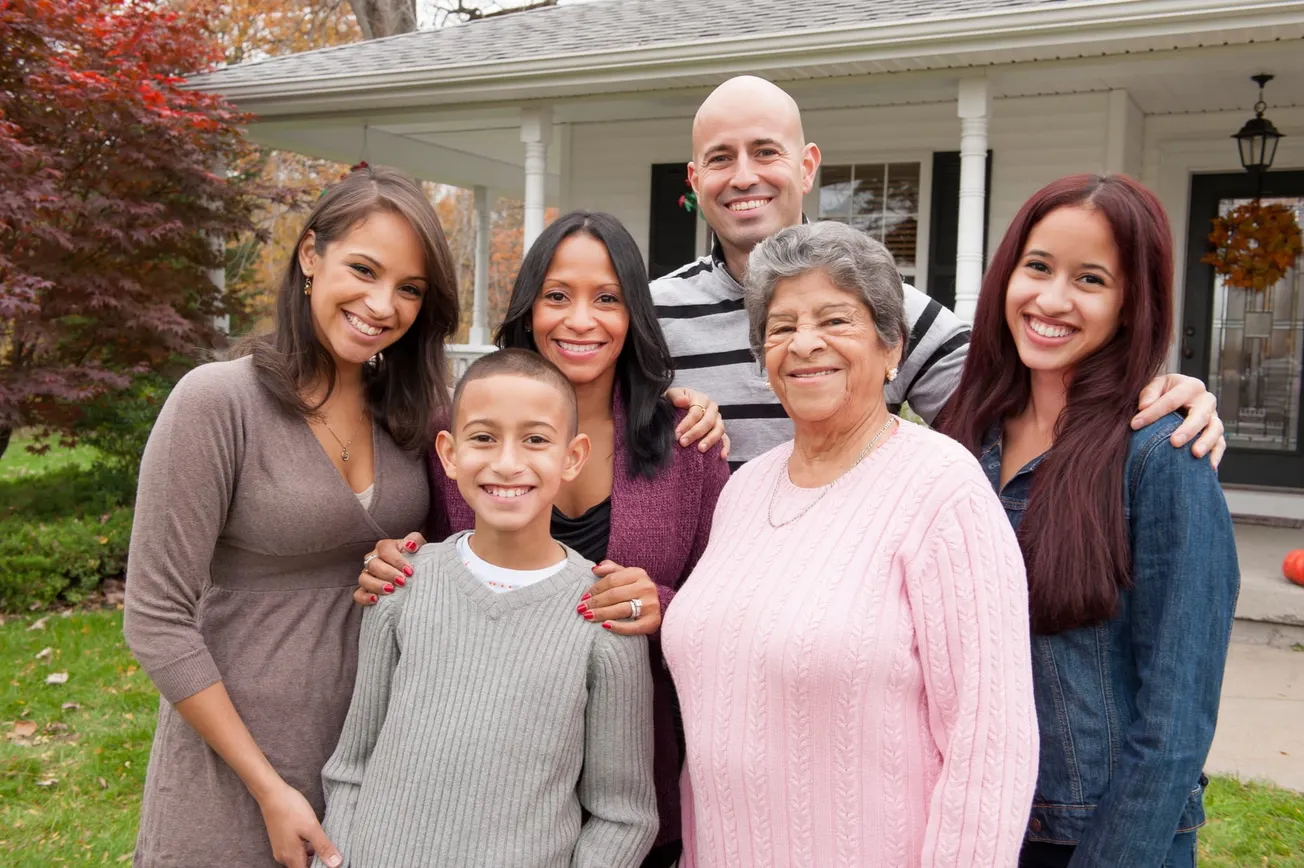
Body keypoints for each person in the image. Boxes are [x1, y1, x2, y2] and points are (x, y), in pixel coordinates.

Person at [356, 211, 730, 868]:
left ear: (633, 314)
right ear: (529, 308)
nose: (580, 320)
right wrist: (396, 561)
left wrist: (662, 605)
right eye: (558, 296)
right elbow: (444, 574)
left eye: (606, 298)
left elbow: (731, 605)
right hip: (492, 796)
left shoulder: (687, 443)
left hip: (639, 778)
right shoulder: (463, 436)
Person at [662, 220, 1039, 866]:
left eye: (835, 320)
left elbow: (990, 746)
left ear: (892, 348)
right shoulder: (742, 491)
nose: (805, 344)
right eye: (781, 328)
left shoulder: (943, 490)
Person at [122, 166, 460, 868]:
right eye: (363, 270)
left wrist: (663, 404)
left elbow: (528, 444)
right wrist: (269, 788)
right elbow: (155, 618)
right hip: (235, 769)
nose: (381, 304)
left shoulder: (415, 413)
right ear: (310, 256)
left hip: (370, 761)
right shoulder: (218, 403)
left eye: (409, 289)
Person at [652, 74, 1226, 469]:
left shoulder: (891, 307)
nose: (744, 176)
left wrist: (1152, 394)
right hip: (698, 611)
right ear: (696, 179)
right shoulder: (652, 314)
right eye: (720, 158)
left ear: (806, 167)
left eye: (766, 151)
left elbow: (1024, 407)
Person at [938, 174, 1240, 867]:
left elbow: (1176, 720)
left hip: (1100, 837)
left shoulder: (1162, 455)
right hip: (978, 827)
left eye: (1091, 279)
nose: (1051, 300)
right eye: (1037, 267)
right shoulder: (960, 441)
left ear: (1132, 306)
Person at [315, 348, 658, 868]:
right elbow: (352, 767)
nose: (506, 462)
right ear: (449, 454)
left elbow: (623, 815)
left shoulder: (603, 616)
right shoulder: (403, 586)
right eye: (483, 437)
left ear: (573, 456)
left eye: (536, 439)